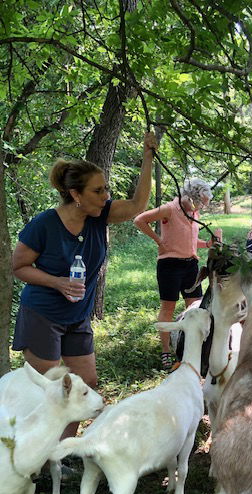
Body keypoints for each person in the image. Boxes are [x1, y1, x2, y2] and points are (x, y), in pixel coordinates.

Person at [12, 131, 158, 438]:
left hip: (77, 317)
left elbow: (137, 204)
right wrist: (58, 282)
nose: (106, 196)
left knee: (86, 383)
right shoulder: (43, 225)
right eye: (98, 191)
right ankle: (34, 452)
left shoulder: (98, 216)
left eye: (105, 189)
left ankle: (62, 450)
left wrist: (147, 157)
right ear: (76, 195)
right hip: (43, 314)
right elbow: (19, 266)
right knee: (51, 389)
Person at [134, 178, 219, 371]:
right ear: (190, 196)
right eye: (200, 202)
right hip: (170, 265)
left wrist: (206, 244)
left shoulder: (193, 213)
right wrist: (159, 240)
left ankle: (192, 350)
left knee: (195, 307)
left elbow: (189, 239)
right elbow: (139, 220)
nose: (200, 208)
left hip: (191, 265)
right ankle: (166, 351)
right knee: (168, 308)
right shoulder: (169, 209)